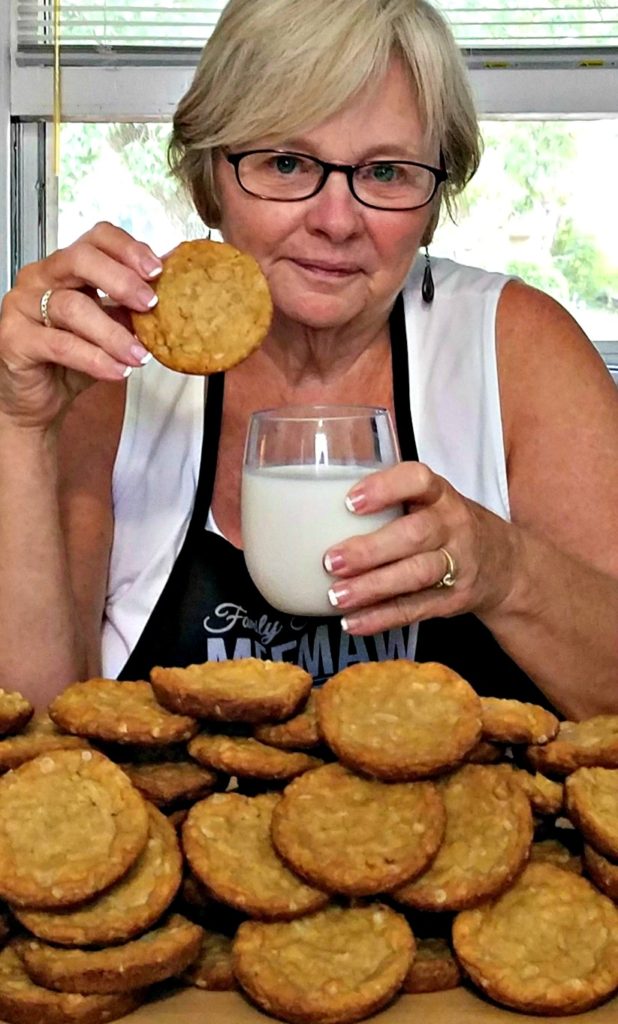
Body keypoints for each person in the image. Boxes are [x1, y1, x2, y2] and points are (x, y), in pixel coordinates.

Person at [0, 0, 617, 717]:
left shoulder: (516, 350)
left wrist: (506, 572)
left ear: (434, 194)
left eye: (387, 172)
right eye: (287, 163)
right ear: (211, 177)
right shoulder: (115, 363)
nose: (335, 221)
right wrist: (19, 429)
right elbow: (36, 734)